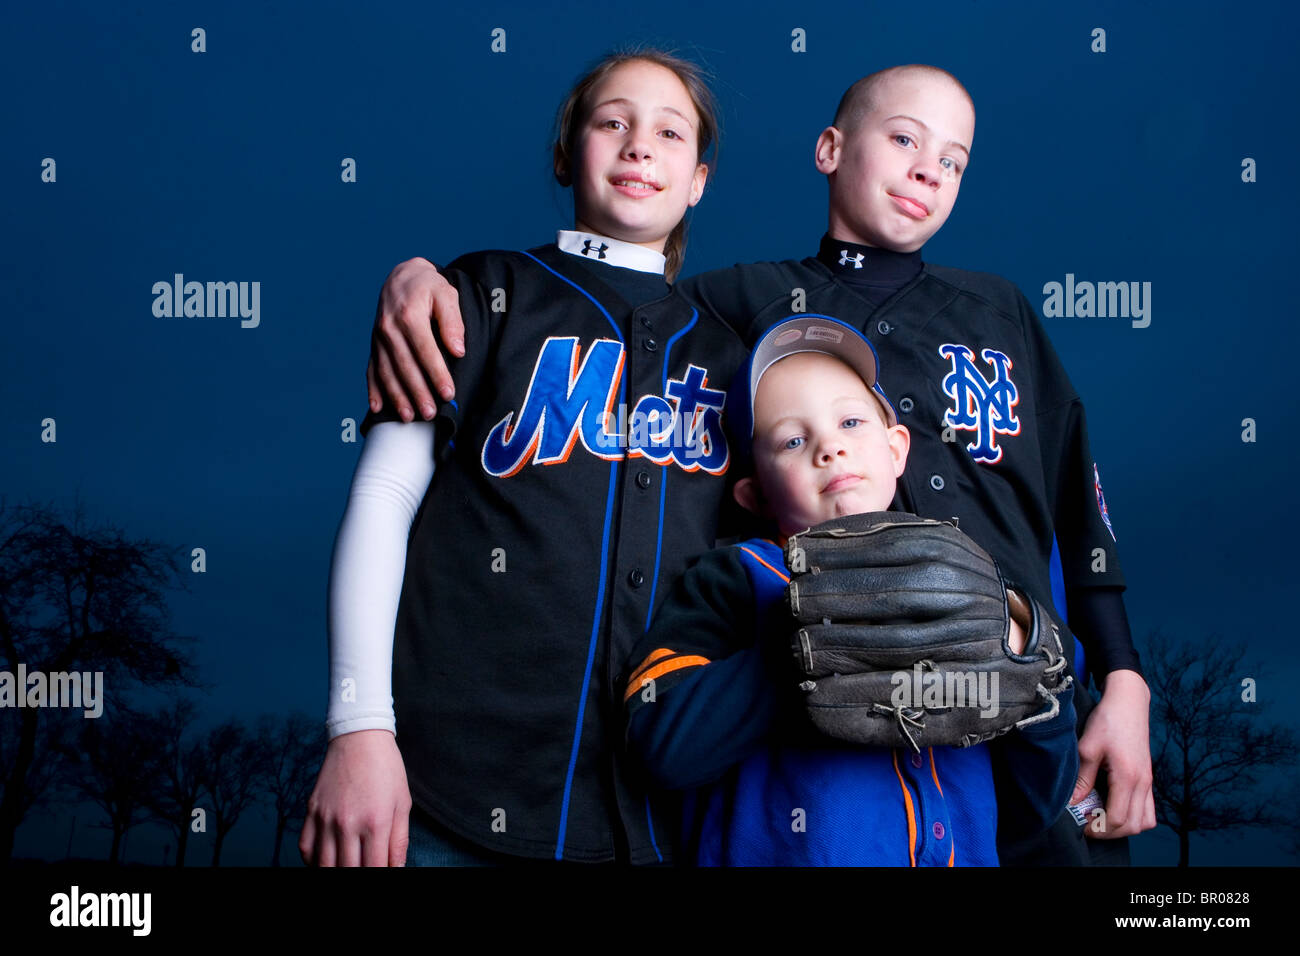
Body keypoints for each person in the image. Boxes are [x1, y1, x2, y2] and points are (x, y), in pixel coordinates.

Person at [361, 63, 1157, 862]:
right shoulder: (738, 301)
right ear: (830, 149)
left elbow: (1075, 502)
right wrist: (424, 278)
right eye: (904, 139)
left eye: (953, 160)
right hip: (828, 729)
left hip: (1012, 700)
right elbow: (624, 287)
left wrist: (1122, 676)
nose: (927, 168)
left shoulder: (1003, 308)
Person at [300, 48, 754, 865]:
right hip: (442, 794)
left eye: (669, 132)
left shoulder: (731, 358)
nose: (638, 145)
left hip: (657, 818)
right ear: (564, 151)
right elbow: (383, 499)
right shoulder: (482, 293)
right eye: (611, 121)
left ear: (698, 181)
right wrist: (358, 728)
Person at [623, 314, 1078, 864]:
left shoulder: (975, 586)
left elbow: (1034, 804)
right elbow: (659, 746)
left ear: (897, 449)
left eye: (852, 423)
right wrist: (802, 646)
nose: (829, 448)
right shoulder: (738, 577)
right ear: (754, 494)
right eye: (793, 439)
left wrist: (1034, 671)